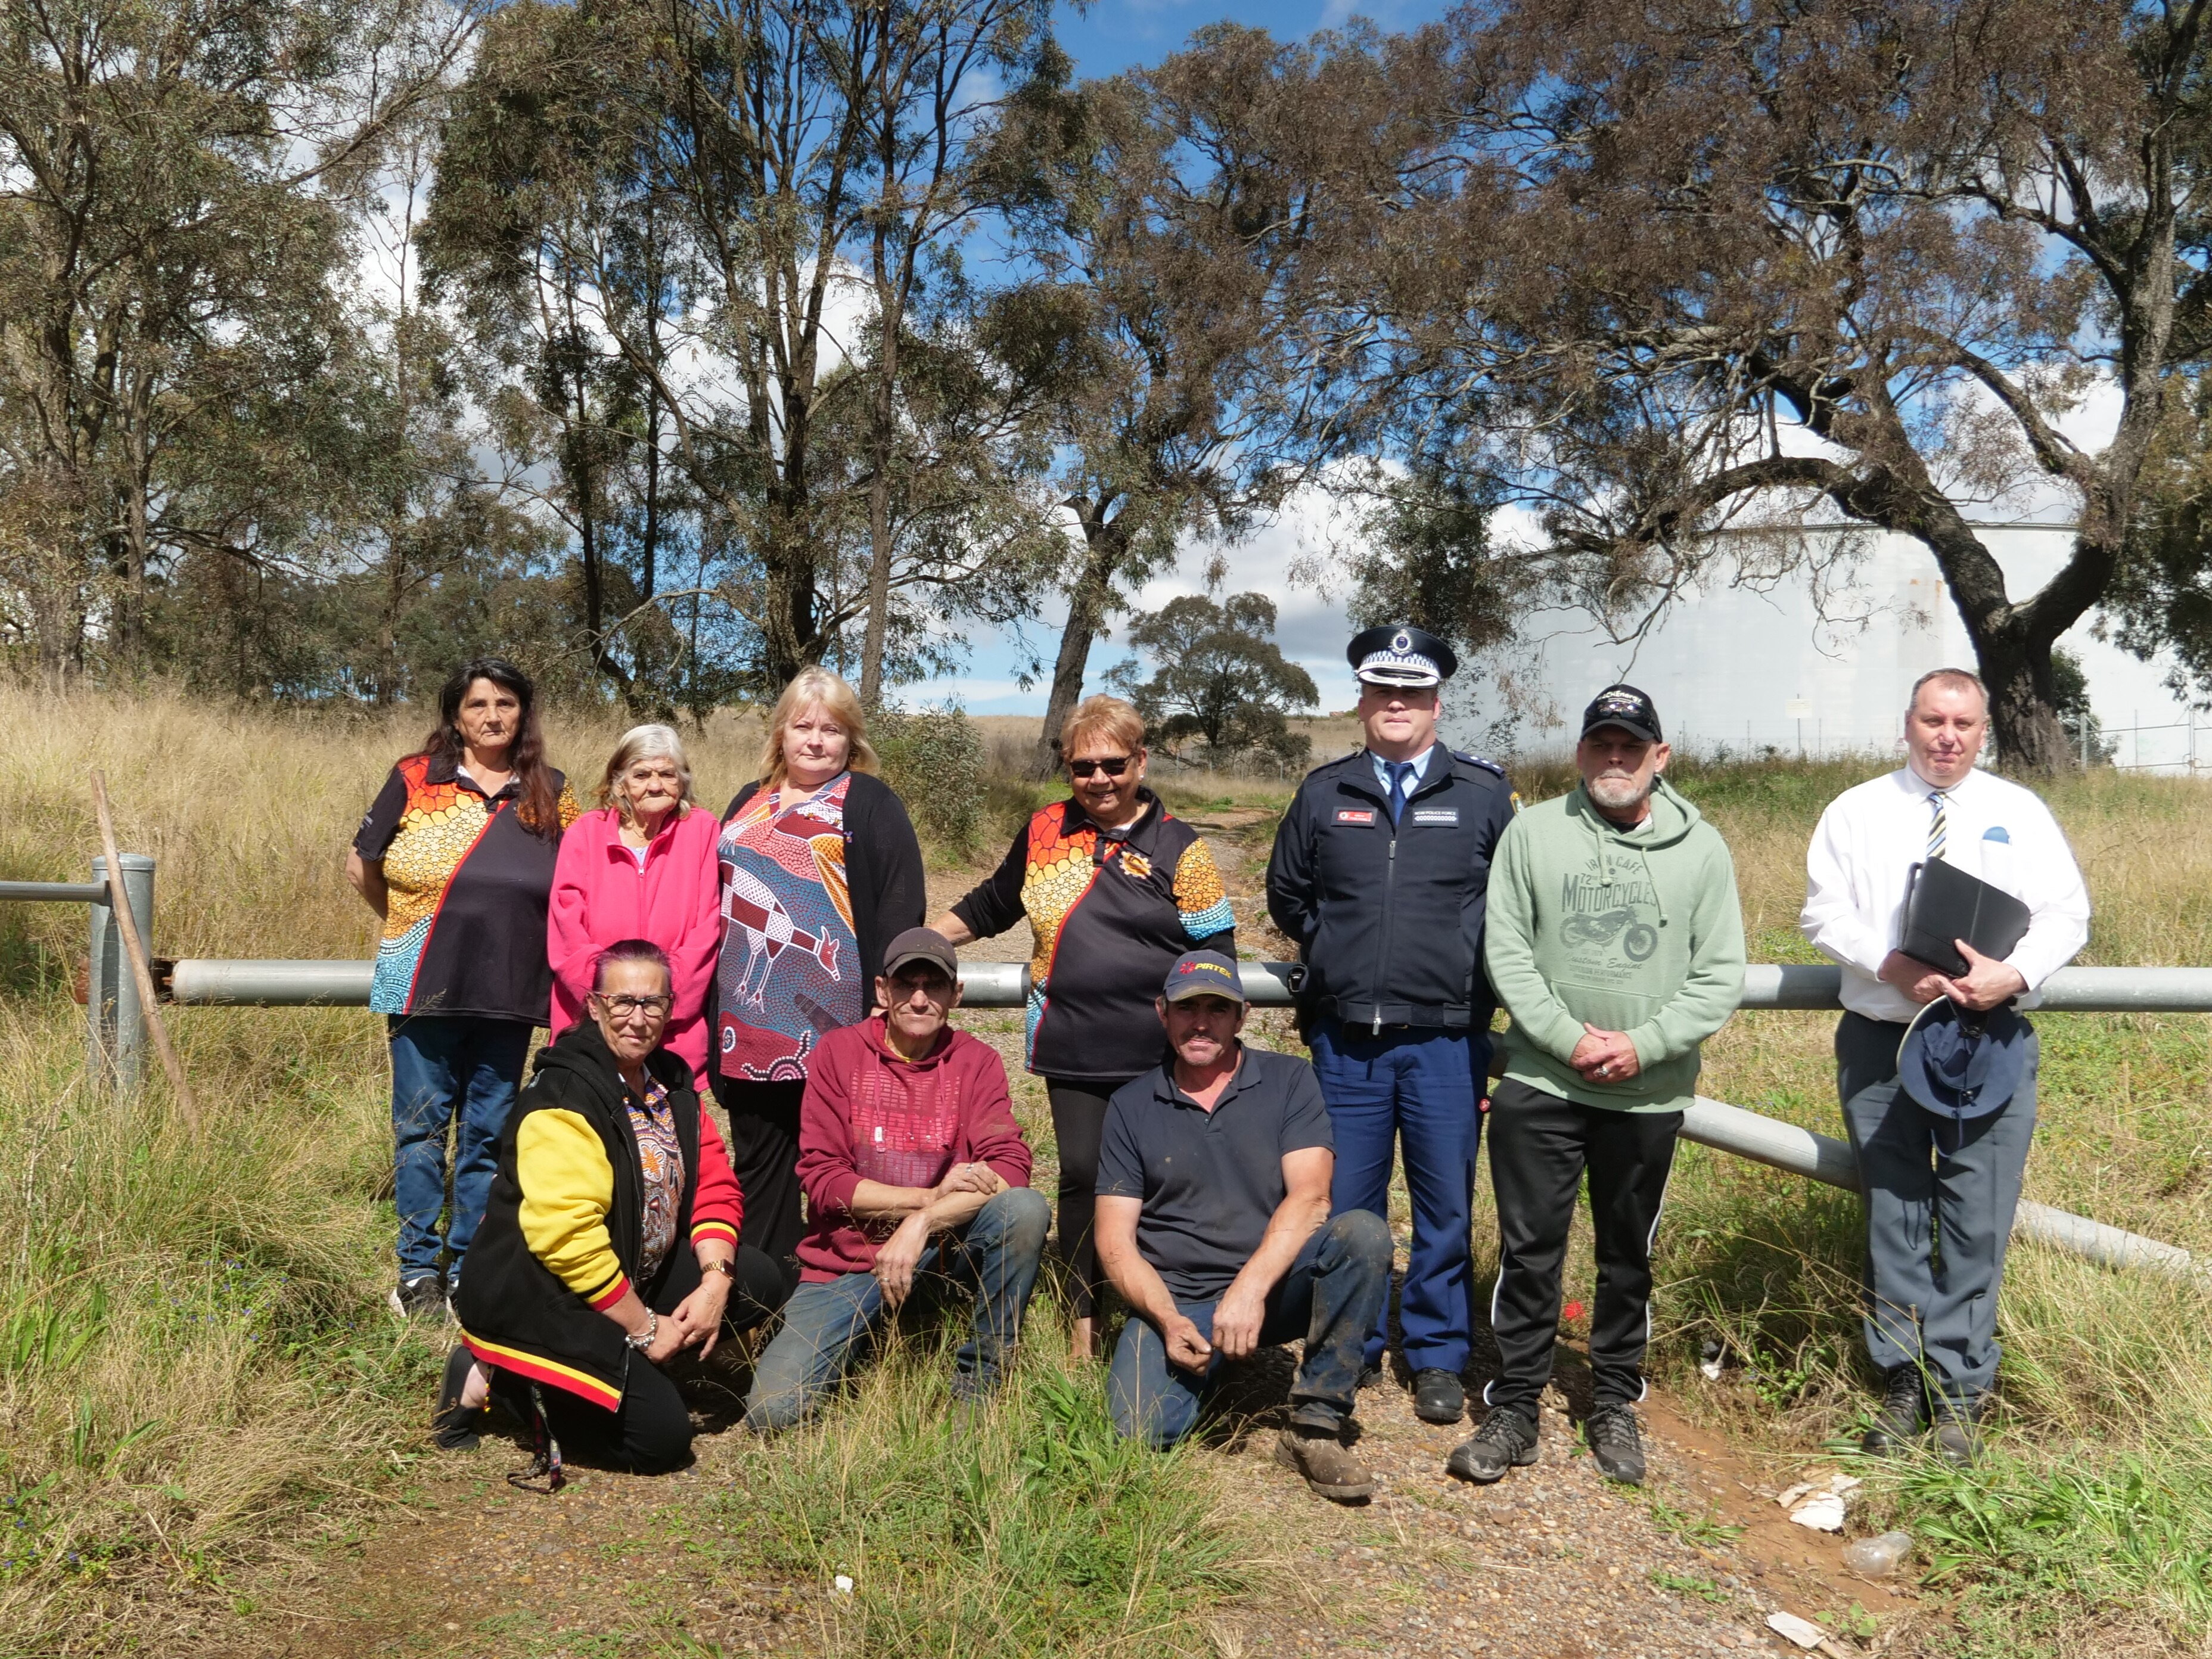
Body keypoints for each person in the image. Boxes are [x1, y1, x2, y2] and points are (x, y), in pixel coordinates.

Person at [1453, 685, 1744, 1487]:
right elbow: (1507, 951)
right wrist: (1569, 1039)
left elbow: (1719, 974)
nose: (1615, 758)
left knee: (1627, 1256)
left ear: (1660, 756)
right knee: (1528, 1251)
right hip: (1543, 1081)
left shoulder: (1703, 850)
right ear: (1581, 752)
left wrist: (1643, 1045)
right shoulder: (1532, 833)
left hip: (1648, 1093)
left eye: (1631, 745)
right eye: (1601, 744)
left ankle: (1613, 1399)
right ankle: (1515, 1405)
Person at [1801, 668, 2088, 1466]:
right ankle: (1901, 1380)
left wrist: (2014, 974)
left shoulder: (2018, 812)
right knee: (1893, 1212)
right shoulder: (1856, 811)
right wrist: (1887, 964)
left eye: (1964, 724)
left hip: (1984, 1037)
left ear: (1983, 731)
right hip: (1883, 1039)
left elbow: (2067, 914)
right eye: (1933, 721)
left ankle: (1959, 1392)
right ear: (1908, 724)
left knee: (1976, 1217)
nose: (1948, 738)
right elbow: (1823, 911)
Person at [1263, 624, 1515, 1426]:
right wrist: (1338, 949)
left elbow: (1511, 902)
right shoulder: (1323, 792)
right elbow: (1288, 895)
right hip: (1348, 1043)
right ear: (1363, 701)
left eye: (1412, 692)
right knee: (1349, 1206)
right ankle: (1355, 1342)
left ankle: (1438, 1354)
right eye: (1383, 691)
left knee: (1445, 1207)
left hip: (1447, 1039)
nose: (1397, 704)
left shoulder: (1483, 794)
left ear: (1436, 702)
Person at [934, 694, 1235, 1360]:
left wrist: (1206, 1040)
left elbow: (1217, 951)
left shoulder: (1180, 846)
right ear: (1067, 768)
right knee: (1080, 1176)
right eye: (1083, 767)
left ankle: (1163, 1308)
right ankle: (1083, 1320)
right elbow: (994, 902)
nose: (1099, 779)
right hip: (1070, 1039)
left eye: (1113, 764)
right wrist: (922, 945)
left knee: (1162, 1178)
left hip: (1161, 1049)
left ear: (1141, 761)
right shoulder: (1045, 829)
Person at [442, 940, 787, 1477]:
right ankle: (507, 1374)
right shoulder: (564, 1095)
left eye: (653, 1003)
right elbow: (568, 1242)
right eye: (623, 1001)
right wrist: (646, 1329)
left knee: (758, 1279)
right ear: (594, 1005)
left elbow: (714, 1184)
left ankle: (617, 1365)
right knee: (661, 1443)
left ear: (671, 1009)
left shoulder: (672, 1081)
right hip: (546, 1292)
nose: (638, 1018)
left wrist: (715, 1283)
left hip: (631, 1268)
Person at [1096, 951, 1393, 1502]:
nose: (1201, 1023)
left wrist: (1249, 1291)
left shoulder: (1289, 1079)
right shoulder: (1131, 1105)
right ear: (1162, 1013)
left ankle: (1315, 1424)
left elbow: (1312, 1196)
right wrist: (1167, 1319)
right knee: (1137, 1430)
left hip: (1273, 1285)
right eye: (1187, 1009)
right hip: (1179, 1295)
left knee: (1362, 1234)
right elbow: (1114, 1241)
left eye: (1217, 1009)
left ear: (1242, 1016)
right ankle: (1209, 1367)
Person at [742, 929, 1051, 1430]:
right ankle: (868, 1333)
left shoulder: (976, 1061)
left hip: (943, 1254)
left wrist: (923, 1223)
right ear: (883, 991)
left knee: (1025, 1210)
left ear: (957, 995)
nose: (920, 999)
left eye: (935, 985)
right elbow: (825, 1180)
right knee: (772, 1412)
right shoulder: (838, 1054)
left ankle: (982, 1379)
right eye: (907, 984)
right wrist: (927, 1198)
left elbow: (1010, 1166)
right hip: (847, 1263)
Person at [349, 657, 582, 1320]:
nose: (492, 716)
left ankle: (469, 1269)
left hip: (510, 990)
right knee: (420, 1132)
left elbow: (576, 882)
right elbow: (362, 866)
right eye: (478, 704)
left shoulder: (552, 792)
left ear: (523, 713)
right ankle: (417, 1273)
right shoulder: (415, 778)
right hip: (421, 983)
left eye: (505, 703)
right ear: (455, 715)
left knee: (488, 1135)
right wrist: (410, 927)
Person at [713, 667, 926, 1295]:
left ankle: (836, 1296)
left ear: (851, 739)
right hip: (746, 1025)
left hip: (831, 1030)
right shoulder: (746, 800)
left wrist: (887, 1004)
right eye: (802, 726)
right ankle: (764, 1301)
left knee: (831, 1169)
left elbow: (900, 905)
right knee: (759, 1169)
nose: (814, 740)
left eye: (831, 730)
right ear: (780, 733)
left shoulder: (869, 802)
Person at [549, 725, 722, 1085]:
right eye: (642, 775)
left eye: (667, 774)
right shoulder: (586, 833)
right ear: (620, 782)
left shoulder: (702, 830)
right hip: (593, 1024)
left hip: (673, 1031)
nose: (655, 786)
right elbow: (567, 931)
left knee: (671, 1117)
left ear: (682, 780)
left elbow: (708, 927)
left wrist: (659, 1004)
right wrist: (612, 1004)